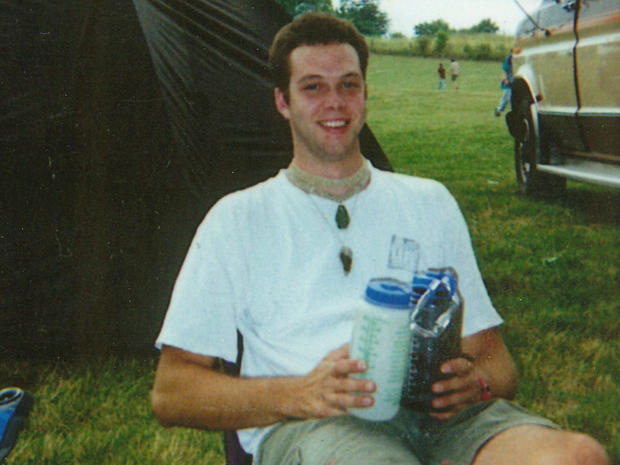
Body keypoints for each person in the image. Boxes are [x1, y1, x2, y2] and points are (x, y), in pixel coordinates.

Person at [151, 12, 609, 465]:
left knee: (579, 456)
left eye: (348, 84)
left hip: (444, 420)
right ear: (282, 102)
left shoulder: (430, 202)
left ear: (366, 94)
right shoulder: (236, 220)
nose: (335, 102)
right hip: (316, 424)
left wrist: (478, 384)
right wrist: (300, 393)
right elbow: (173, 393)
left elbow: (496, 362)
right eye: (313, 87)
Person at [495, 49, 514, 116]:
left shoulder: (518, 60)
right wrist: (505, 80)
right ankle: (498, 109)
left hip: (513, 82)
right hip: (508, 83)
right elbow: (504, 71)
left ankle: (514, 111)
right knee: (506, 97)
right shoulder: (508, 59)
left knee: (512, 98)